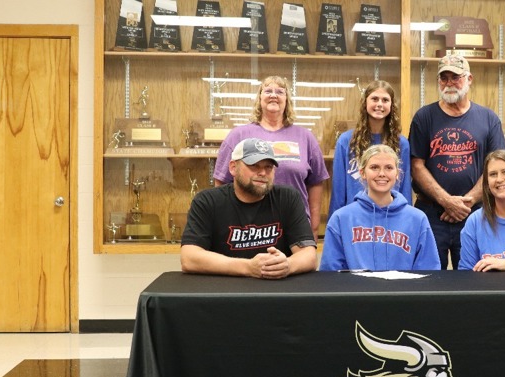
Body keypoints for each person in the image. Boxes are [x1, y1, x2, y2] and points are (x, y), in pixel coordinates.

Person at [409, 53, 505, 270]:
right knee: (429, 282)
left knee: (476, 280)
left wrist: (467, 202)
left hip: (475, 215)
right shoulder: (423, 117)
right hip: (431, 214)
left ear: (469, 79)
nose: (449, 83)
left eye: (456, 77)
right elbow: (416, 165)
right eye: (444, 78)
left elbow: (498, 167)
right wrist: (446, 201)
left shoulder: (488, 119)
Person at [181, 138, 318, 279]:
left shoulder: (288, 198)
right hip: (225, 292)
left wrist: (288, 265)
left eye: (268, 167)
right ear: (233, 167)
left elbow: (309, 255)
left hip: (276, 291)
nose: (263, 173)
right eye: (254, 166)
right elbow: (189, 258)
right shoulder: (207, 201)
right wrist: (248, 267)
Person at [213, 76, 329, 240]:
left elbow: (316, 183)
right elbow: (221, 182)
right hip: (248, 228)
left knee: (294, 265)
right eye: (268, 91)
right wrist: (223, 223)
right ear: (259, 98)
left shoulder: (305, 137)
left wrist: (314, 228)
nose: (273, 95)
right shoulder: (238, 135)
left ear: (287, 99)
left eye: (280, 92)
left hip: (294, 224)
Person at [320, 145, 440, 271]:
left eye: (388, 168)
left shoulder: (417, 219)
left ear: (397, 174)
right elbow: (330, 272)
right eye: (374, 167)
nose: (382, 174)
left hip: (402, 290)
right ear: (362, 173)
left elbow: (428, 270)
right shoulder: (341, 218)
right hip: (357, 290)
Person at [329, 80, 411, 220]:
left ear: (391, 105)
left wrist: (407, 219)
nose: (379, 104)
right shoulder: (346, 141)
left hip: (390, 217)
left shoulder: (401, 143)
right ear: (365, 103)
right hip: (354, 218)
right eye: (374, 99)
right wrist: (335, 222)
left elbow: (405, 188)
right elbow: (338, 189)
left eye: (385, 100)